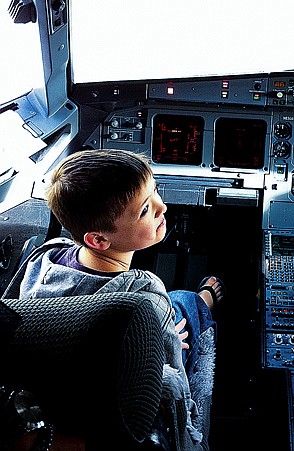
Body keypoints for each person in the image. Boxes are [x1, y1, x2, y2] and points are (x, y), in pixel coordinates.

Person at [10, 148, 225, 450]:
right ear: (98, 240)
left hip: (62, 375)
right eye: (145, 211)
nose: (162, 207)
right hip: (126, 389)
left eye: (156, 192)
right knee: (186, 306)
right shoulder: (145, 291)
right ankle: (205, 300)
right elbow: (173, 376)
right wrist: (162, 335)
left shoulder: (47, 256)